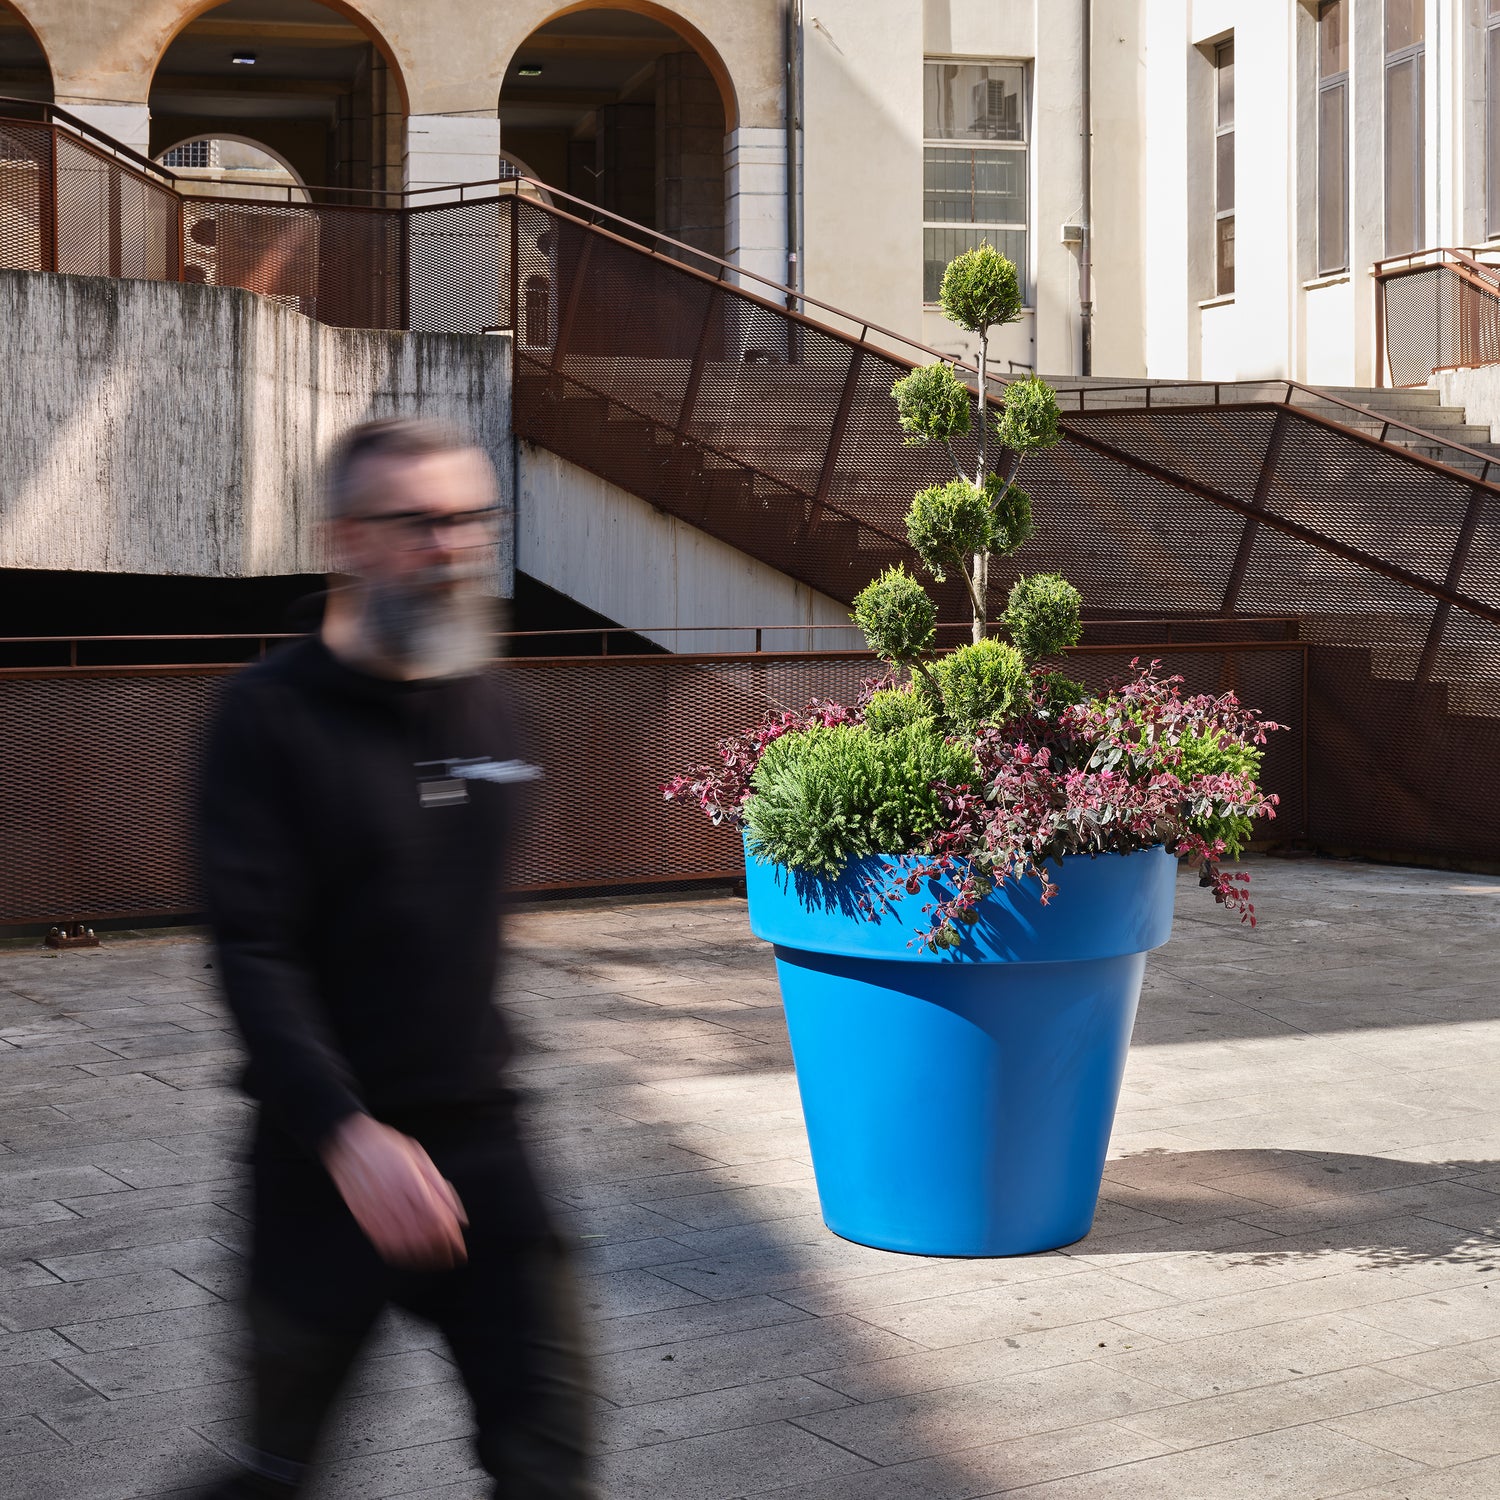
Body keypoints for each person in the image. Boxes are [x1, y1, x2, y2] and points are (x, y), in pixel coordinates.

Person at [197, 418, 593, 1499]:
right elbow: (253, 954)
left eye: (470, 518)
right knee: (273, 1476)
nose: (451, 544)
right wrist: (347, 1133)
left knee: (550, 1464)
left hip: (482, 1143)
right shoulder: (262, 721)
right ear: (345, 539)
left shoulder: (492, 701)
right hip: (319, 1164)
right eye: (416, 522)